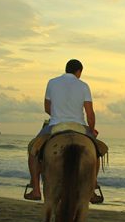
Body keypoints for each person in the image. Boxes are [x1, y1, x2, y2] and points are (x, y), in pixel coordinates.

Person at [24, 58, 98, 201]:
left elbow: (47, 107)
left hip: (56, 124)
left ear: (66, 69)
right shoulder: (84, 86)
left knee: (33, 149)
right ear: (79, 71)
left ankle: (36, 190)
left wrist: (59, 115)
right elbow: (90, 113)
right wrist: (92, 130)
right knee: (97, 151)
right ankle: (92, 189)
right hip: (79, 126)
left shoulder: (52, 82)